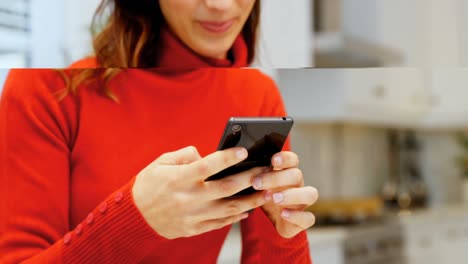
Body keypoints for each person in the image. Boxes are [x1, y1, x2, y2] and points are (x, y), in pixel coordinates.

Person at [0, 0, 319, 263]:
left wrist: (285, 232)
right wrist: (136, 220)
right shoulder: (44, 91)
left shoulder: (257, 95)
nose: (220, 5)